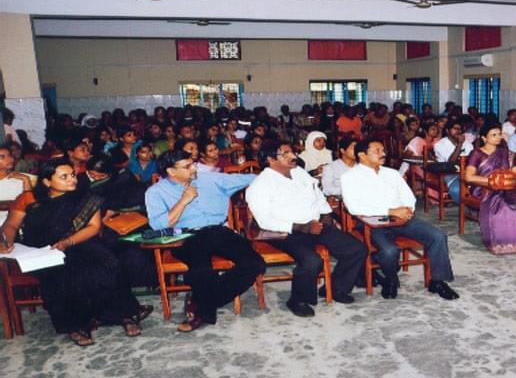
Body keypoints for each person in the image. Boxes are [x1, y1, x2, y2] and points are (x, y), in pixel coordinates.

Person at [1, 159, 151, 346]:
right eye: (64, 177)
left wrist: (68, 241)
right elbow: (11, 224)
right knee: (64, 273)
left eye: (72, 175)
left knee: (108, 263)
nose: (72, 180)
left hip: (80, 242)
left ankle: (124, 314)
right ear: (47, 181)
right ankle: (75, 325)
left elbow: (93, 227)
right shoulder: (28, 198)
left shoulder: (86, 197)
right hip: (42, 251)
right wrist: (6, 241)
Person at [145, 150, 266, 331]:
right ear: (171, 172)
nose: (194, 167)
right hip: (186, 236)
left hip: (218, 231)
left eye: (192, 163)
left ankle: (200, 302)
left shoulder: (210, 179)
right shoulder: (155, 192)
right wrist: (183, 201)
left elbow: (252, 179)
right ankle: (201, 313)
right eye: (187, 166)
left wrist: (274, 174)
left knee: (255, 263)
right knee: (202, 270)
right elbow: (159, 226)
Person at [246, 142, 367, 317]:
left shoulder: (299, 173)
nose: (293, 155)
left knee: (356, 249)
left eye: (292, 151)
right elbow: (265, 221)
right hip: (285, 232)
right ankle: (297, 300)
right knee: (312, 261)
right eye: (285, 153)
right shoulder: (260, 185)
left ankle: (335, 288)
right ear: (271, 159)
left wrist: (326, 215)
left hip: (314, 224)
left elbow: (317, 196)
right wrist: (302, 227)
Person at [341, 139, 459, 300]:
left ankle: (437, 281)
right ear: (362, 155)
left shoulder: (392, 173)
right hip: (372, 223)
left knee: (438, 236)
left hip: (402, 219)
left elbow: (408, 197)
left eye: (383, 150)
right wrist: (390, 211)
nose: (383, 154)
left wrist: (408, 210)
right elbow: (355, 207)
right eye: (377, 151)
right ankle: (390, 279)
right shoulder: (349, 177)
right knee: (389, 251)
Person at [464, 123, 516, 255]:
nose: (498, 137)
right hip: (484, 188)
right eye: (493, 135)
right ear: (484, 138)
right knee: (503, 206)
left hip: (507, 186)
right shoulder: (477, 153)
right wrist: (494, 181)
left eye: (499, 134)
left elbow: (515, 171)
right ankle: (504, 243)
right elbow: (469, 177)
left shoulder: (505, 153)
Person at [434, 120, 473, 203]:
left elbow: (472, 160)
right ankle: (466, 208)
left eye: (460, 129)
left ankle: (474, 206)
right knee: (456, 189)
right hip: (449, 173)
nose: (458, 131)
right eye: (455, 129)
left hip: (466, 172)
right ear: (447, 130)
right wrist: (459, 144)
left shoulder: (467, 144)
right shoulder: (440, 144)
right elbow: (451, 162)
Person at [0, 145, 32, 226]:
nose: (10, 159)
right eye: (2, 157)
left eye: (10, 155)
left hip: (16, 223)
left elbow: (30, 204)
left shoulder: (20, 179)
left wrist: (26, 180)